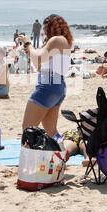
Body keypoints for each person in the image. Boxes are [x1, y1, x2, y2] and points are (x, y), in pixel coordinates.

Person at [19, 14, 73, 143]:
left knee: (28, 128)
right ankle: (62, 156)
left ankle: (29, 161)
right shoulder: (62, 42)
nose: (44, 32)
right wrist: (30, 50)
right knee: (51, 130)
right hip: (57, 86)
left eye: (45, 28)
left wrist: (28, 43)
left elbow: (38, 58)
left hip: (48, 86)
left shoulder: (56, 40)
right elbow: (39, 65)